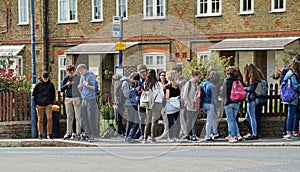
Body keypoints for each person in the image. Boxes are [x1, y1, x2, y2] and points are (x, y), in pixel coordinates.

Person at [220, 66, 243, 143]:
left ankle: (233, 136)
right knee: (234, 120)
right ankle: (238, 135)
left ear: (228, 73)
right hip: (236, 102)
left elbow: (223, 93)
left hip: (229, 102)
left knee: (230, 120)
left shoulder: (226, 81)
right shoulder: (238, 80)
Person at [77, 64, 99, 142]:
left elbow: (95, 88)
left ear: (85, 69)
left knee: (91, 117)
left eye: (82, 70)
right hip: (84, 98)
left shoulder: (90, 76)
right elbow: (81, 89)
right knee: (84, 117)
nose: (81, 72)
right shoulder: (81, 77)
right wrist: (79, 88)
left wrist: (87, 85)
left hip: (91, 99)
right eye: (79, 71)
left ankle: (93, 134)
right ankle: (88, 133)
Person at [32, 71, 56, 140]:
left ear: (48, 78)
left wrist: (51, 102)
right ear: (41, 78)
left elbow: (53, 94)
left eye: (46, 78)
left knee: (50, 118)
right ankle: (40, 134)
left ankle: (49, 133)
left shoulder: (51, 85)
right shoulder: (38, 85)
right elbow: (34, 95)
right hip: (39, 104)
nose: (45, 80)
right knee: (40, 119)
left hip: (48, 103)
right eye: (44, 78)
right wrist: (36, 103)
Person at [61, 65, 82, 140]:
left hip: (76, 97)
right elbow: (61, 89)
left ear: (74, 71)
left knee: (78, 116)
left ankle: (78, 132)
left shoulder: (78, 78)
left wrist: (80, 98)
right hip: (68, 98)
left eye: (71, 72)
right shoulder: (66, 78)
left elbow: (81, 89)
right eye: (69, 73)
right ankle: (68, 132)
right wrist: (67, 85)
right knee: (69, 116)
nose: (70, 74)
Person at [143, 69, 164, 143]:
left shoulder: (146, 83)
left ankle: (145, 138)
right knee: (154, 121)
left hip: (148, 103)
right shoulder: (158, 84)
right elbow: (162, 94)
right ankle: (153, 137)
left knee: (148, 121)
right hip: (157, 103)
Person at [282, 59, 300, 139]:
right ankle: (290, 132)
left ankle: (291, 131)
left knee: (292, 115)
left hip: (289, 96)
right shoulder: (292, 75)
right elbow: (295, 86)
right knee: (291, 115)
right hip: (292, 97)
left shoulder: (288, 73)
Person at [182, 69, 202, 141]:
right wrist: (189, 104)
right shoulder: (189, 83)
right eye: (198, 77)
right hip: (190, 106)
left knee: (194, 120)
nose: (199, 79)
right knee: (190, 120)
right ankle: (189, 135)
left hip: (195, 105)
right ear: (194, 76)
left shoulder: (195, 84)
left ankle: (192, 135)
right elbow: (184, 95)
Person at [201, 69, 220, 141]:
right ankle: (208, 136)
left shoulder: (203, 83)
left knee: (214, 117)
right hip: (210, 105)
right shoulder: (213, 86)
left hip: (203, 104)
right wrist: (218, 109)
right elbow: (215, 99)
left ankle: (215, 133)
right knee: (209, 120)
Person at [243, 63, 260, 140]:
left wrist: (244, 88)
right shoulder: (255, 77)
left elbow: (251, 89)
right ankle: (252, 132)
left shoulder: (252, 79)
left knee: (252, 117)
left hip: (251, 99)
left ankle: (254, 133)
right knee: (248, 117)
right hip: (252, 99)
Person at [172, 64, 189, 139]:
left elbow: (184, 92)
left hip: (182, 101)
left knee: (182, 117)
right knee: (179, 118)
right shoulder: (176, 80)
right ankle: (182, 132)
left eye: (175, 72)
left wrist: (184, 101)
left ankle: (185, 133)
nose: (174, 74)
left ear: (180, 72)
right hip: (177, 101)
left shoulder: (184, 80)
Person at [164, 71, 181, 142]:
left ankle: (170, 137)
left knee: (170, 122)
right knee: (177, 122)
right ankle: (176, 136)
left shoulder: (168, 86)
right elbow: (180, 94)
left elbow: (167, 96)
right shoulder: (177, 85)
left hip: (170, 105)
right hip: (177, 105)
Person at [125, 72, 140, 143]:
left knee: (130, 121)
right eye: (135, 81)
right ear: (132, 78)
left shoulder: (129, 83)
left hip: (132, 103)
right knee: (136, 121)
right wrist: (135, 90)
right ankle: (130, 136)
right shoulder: (125, 83)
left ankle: (128, 137)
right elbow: (126, 94)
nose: (135, 82)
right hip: (130, 104)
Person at [135, 64, 148, 139]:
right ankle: (142, 134)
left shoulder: (149, 79)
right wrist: (137, 93)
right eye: (140, 72)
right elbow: (136, 89)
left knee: (148, 118)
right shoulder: (138, 80)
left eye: (143, 72)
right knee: (142, 119)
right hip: (140, 100)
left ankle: (148, 134)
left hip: (148, 100)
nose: (142, 73)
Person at [157, 71, 169, 139]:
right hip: (158, 103)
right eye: (162, 75)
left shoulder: (168, 84)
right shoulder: (157, 84)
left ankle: (166, 133)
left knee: (165, 119)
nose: (163, 77)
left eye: (165, 75)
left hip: (166, 103)